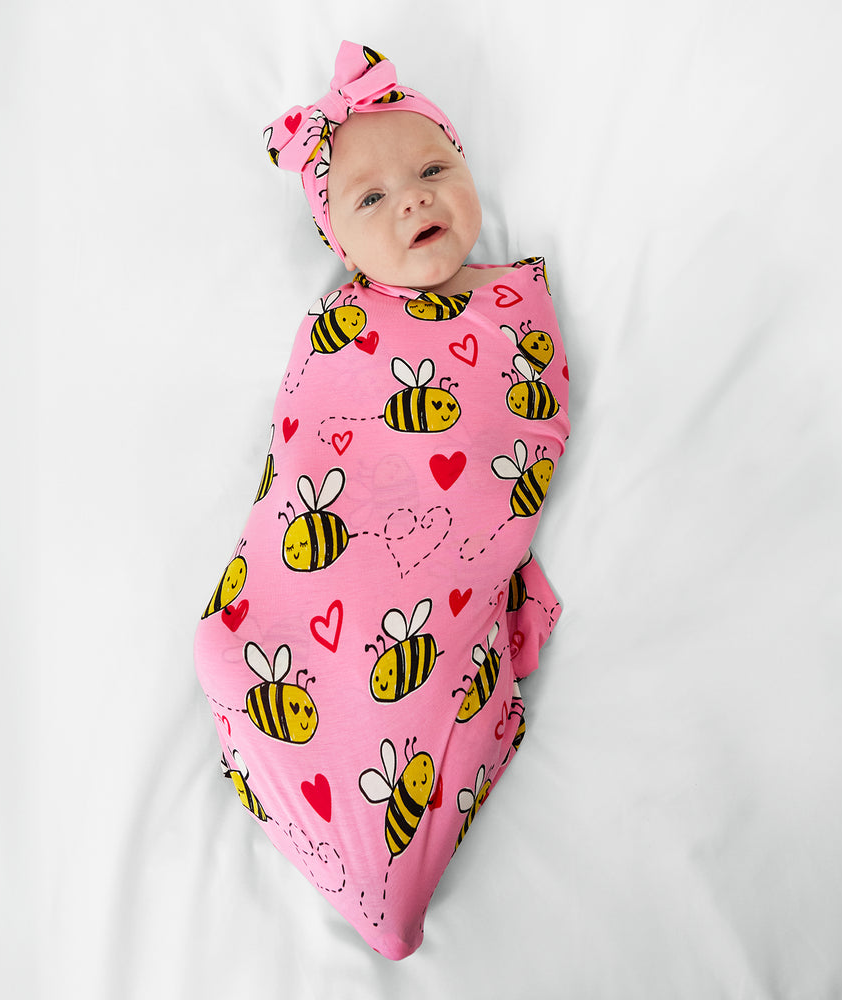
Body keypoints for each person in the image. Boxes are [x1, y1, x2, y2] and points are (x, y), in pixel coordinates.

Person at [194, 40, 570, 960]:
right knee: (232, 647)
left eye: (435, 168)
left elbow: (531, 426)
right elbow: (302, 445)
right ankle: (294, 734)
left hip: (430, 577)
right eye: (372, 198)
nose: (414, 197)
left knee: (404, 704)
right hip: (330, 556)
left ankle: (385, 885)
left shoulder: (515, 304)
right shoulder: (339, 326)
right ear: (340, 244)